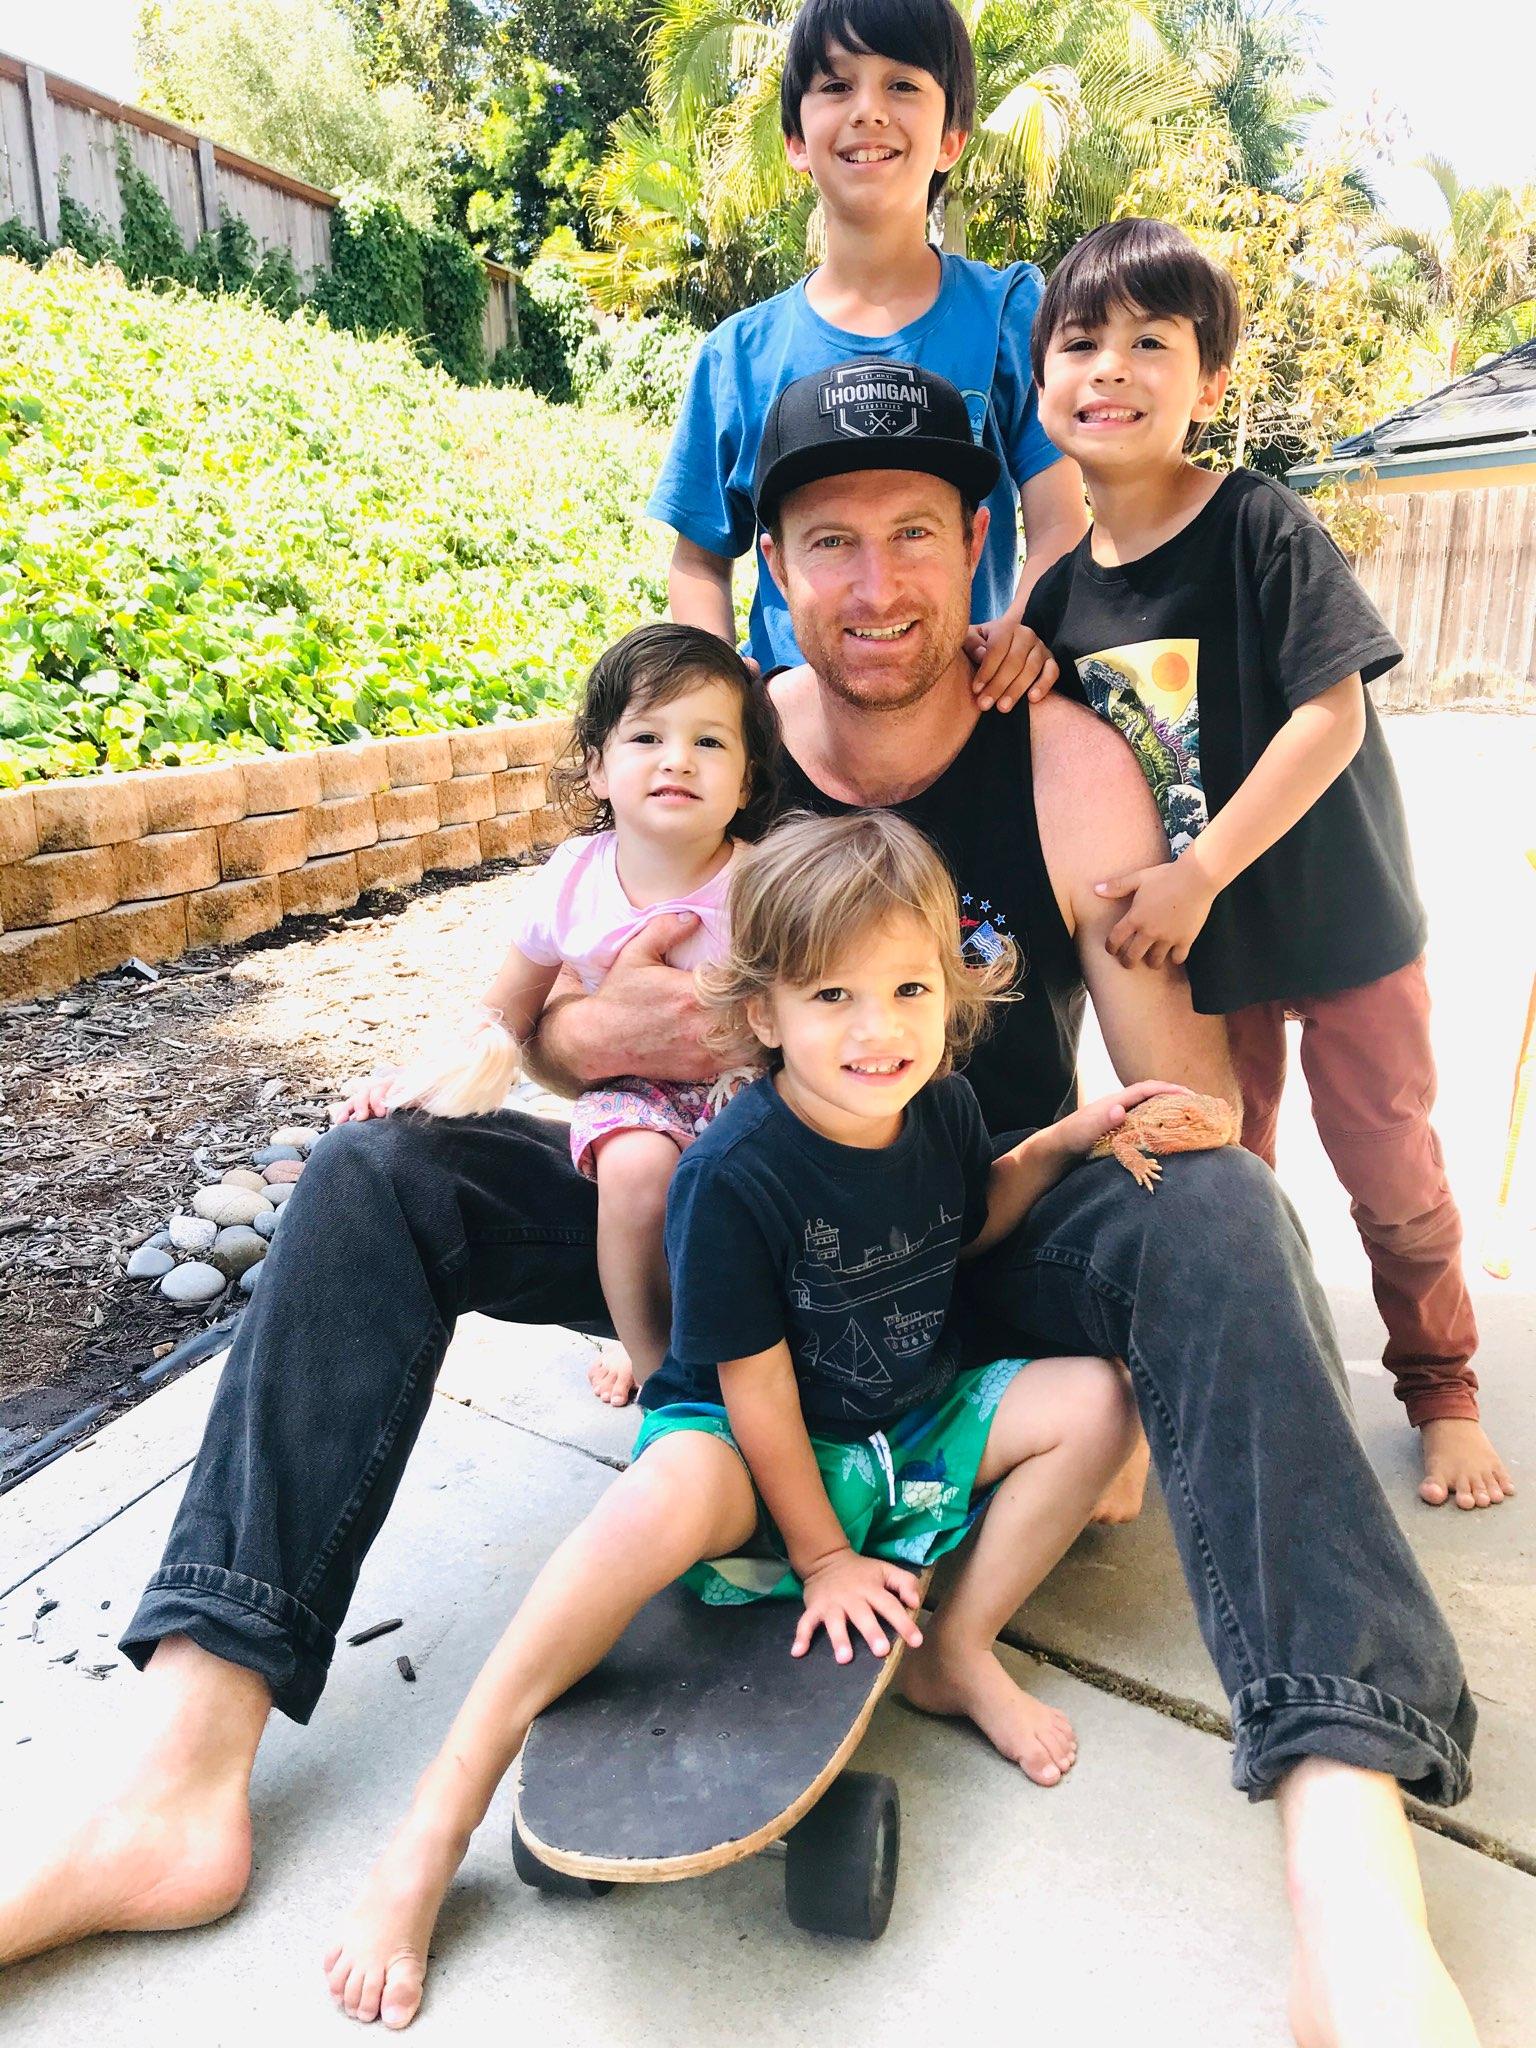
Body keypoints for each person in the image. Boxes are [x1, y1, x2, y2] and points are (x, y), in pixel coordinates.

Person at [0, 364, 1479, 2048]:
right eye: (829, 540)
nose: (876, 583)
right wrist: (580, 1037)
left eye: (914, 533)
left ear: (979, 544)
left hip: (964, 1238)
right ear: (772, 564)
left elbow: (1180, 1103)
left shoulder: (1066, 760)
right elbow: (565, 1008)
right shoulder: (723, 737)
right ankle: (177, 1783)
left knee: (1217, 1209)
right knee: (370, 1172)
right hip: (737, 1242)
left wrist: (1181, 1328)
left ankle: (1351, 1875)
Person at [322, 809, 1154, 2026]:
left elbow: (968, 1213)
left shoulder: (943, 1107)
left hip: (900, 1426)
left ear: (952, 989)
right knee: (657, 1497)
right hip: (745, 1443)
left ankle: (958, 1647)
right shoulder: (733, 1171)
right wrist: (820, 1555)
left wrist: (1068, 1139)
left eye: (909, 988)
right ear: (762, 1011)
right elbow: (753, 1383)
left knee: (1099, 1398)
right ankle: (438, 1816)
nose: (878, 1029)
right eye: (833, 996)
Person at [1020, 215, 1513, 1518]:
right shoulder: (1057, 599)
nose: (1111, 367)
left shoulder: (1258, 523)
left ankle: (1442, 1387)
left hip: (1339, 920)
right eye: (1081, 342)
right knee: (1228, 1167)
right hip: (1203, 958)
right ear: (1041, 379)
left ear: (1211, 382)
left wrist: (1200, 873)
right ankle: (1259, 1374)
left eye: (1151, 343)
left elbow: (1330, 714)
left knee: (1392, 1171)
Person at [331, 623, 779, 1408]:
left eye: (709, 741)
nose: (677, 759)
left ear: (745, 783)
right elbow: (505, 1012)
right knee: (635, 1169)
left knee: (763, 1187)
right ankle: (660, 1371)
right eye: (647, 737)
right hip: (637, 1091)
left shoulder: (768, 881)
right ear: (598, 767)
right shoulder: (575, 877)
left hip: (749, 1087)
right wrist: (416, 1082)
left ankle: (751, 1352)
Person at [648, 0, 1087, 706]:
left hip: (968, 710)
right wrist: (719, 688)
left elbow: (1061, 521)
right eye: (836, 85)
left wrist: (1023, 628)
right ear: (796, 140)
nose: (869, 111)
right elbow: (700, 559)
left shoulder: (1010, 314)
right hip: (793, 737)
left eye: (902, 84)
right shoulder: (738, 356)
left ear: (951, 139)